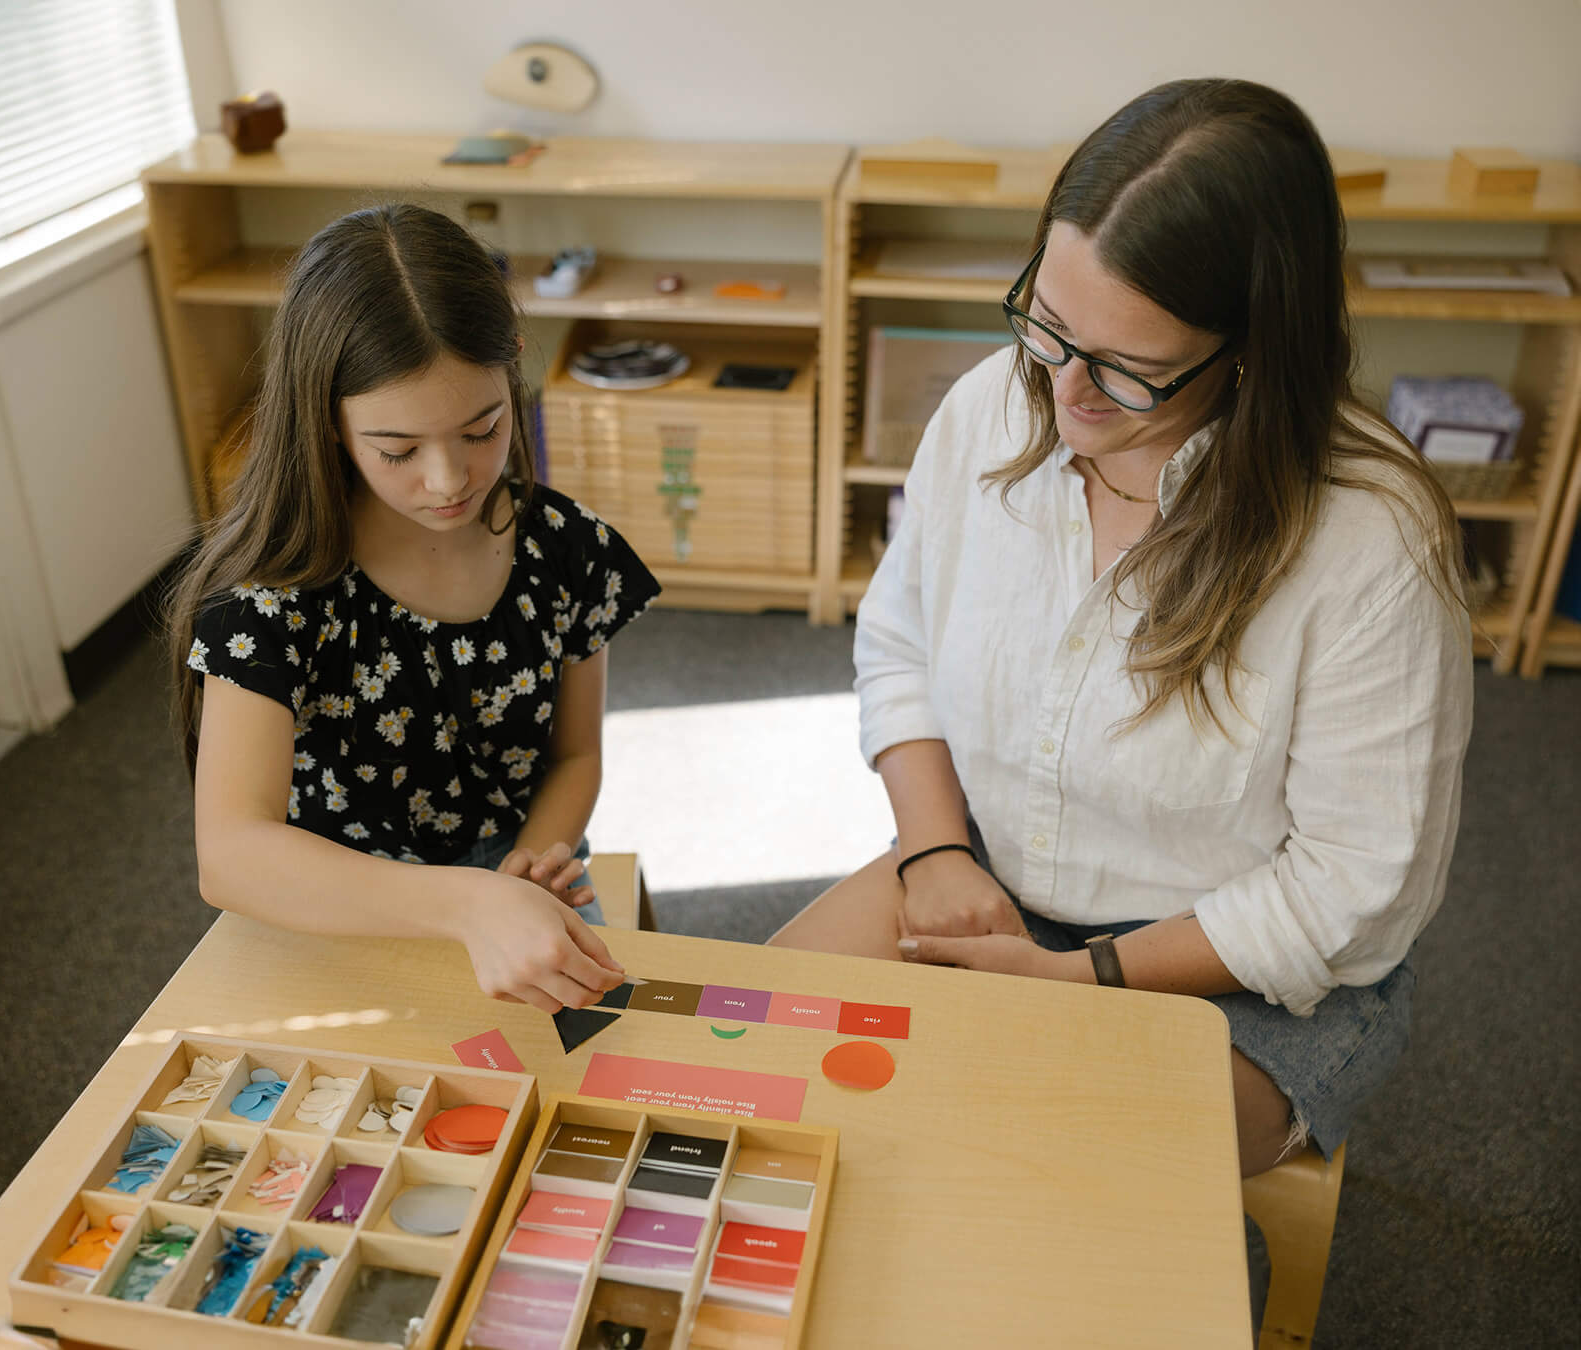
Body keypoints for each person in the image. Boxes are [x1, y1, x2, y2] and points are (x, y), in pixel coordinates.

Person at [771, 79, 1471, 1177]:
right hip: (993, 880)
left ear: (1251, 349)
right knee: (741, 1062)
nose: (1064, 395)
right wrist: (938, 852)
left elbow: (1349, 889)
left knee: (1031, 1185)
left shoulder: (1370, 543)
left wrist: (1080, 979)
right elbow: (900, 636)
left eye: (1129, 372)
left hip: (1238, 973)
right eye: (1048, 327)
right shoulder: (992, 407)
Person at [173, 203, 662, 1014]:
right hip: (337, 902)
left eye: (483, 429)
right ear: (326, 422)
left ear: (512, 372)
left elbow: (575, 757)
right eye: (398, 450)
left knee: (596, 1074)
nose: (449, 480)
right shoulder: (273, 597)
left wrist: (534, 859)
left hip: (511, 880)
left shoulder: (566, 549)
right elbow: (228, 854)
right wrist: (466, 904)